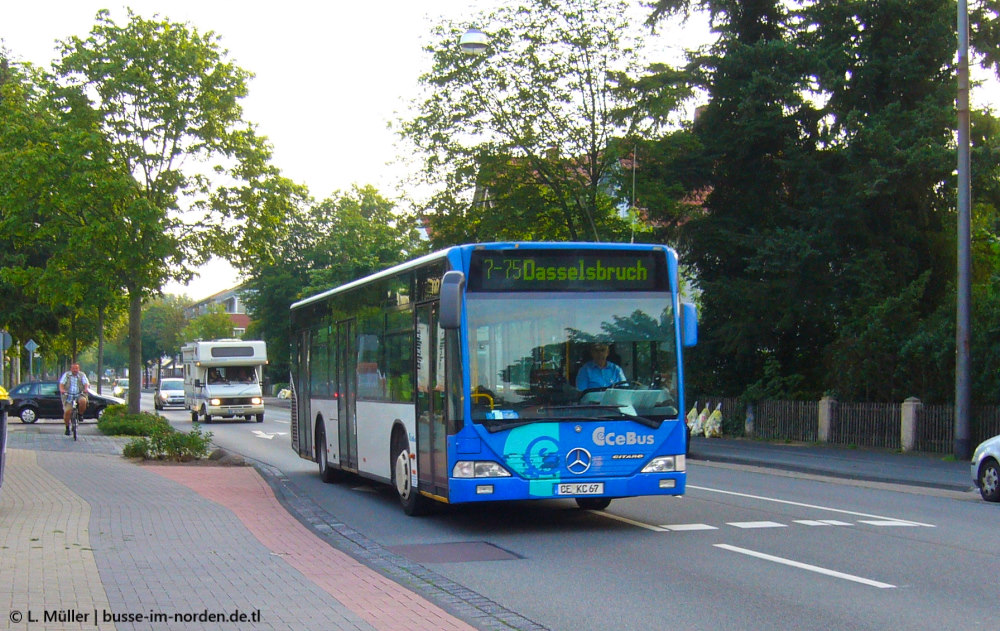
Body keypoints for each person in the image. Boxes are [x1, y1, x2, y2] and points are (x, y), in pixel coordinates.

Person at [59, 363, 90, 436]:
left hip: (79, 394)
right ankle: (67, 428)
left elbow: (86, 383)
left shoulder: (82, 375)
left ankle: (80, 414)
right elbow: (61, 384)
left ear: (78, 369)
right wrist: (62, 390)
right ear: (71, 369)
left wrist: (86, 389)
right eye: (73, 368)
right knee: (67, 412)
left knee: (83, 401)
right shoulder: (66, 375)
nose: (75, 370)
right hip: (68, 396)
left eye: (76, 368)